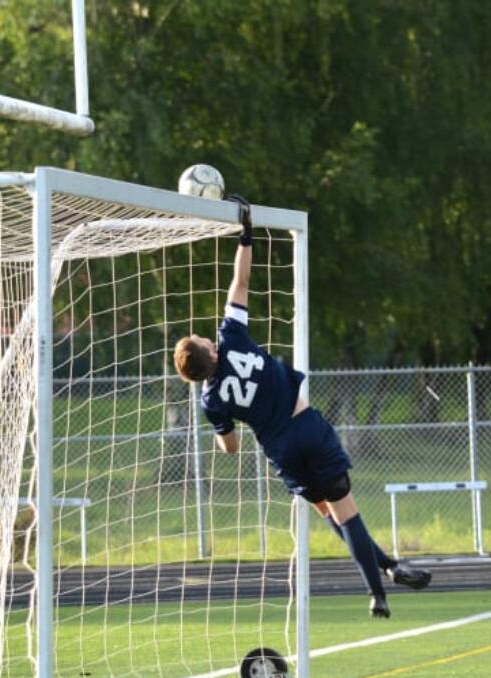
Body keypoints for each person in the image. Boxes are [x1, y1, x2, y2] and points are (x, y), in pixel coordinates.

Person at [172, 195, 431, 618]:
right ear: (208, 351)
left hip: (280, 450)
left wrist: (224, 428)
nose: (202, 336)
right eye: (199, 340)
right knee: (347, 510)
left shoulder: (210, 399)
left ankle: (387, 566)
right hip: (305, 424)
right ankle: (377, 591)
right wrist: (247, 233)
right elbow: (240, 285)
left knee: (328, 510)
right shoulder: (230, 337)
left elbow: (231, 448)